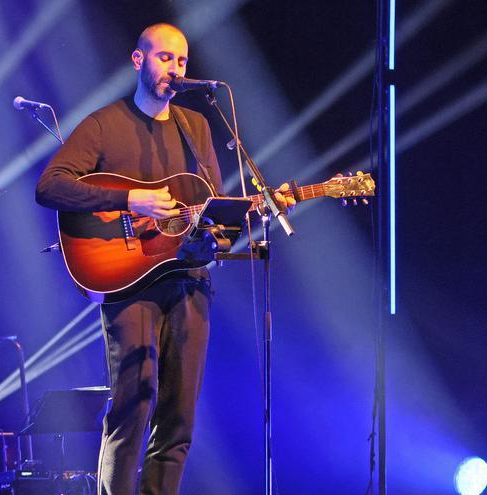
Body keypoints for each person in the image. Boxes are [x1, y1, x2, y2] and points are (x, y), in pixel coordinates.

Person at [35, 24, 293, 494]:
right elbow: (50, 186)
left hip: (188, 280)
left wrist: (240, 221)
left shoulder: (195, 127)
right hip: (127, 281)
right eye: (164, 58)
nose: (174, 69)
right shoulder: (102, 124)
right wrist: (133, 199)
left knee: (179, 416)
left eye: (181, 61)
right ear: (139, 61)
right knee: (133, 403)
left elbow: (211, 215)